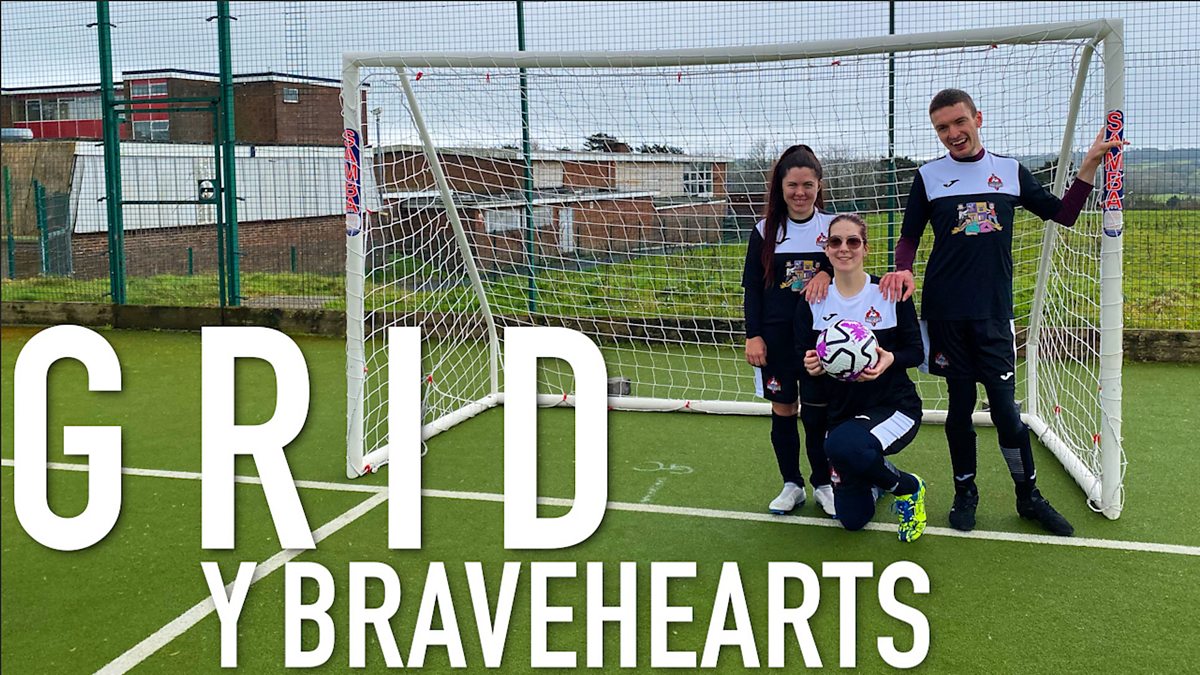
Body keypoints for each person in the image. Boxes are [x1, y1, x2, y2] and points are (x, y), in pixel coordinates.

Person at [880, 88, 1127, 536]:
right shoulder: (929, 176)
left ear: (978, 118)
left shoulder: (1009, 171)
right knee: (959, 408)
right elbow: (909, 235)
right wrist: (903, 269)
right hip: (946, 312)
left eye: (959, 122)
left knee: (1005, 412)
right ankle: (965, 492)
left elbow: (1064, 214)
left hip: (993, 313)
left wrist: (1089, 164)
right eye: (942, 127)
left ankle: (1028, 496)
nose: (953, 133)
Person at [797, 213, 928, 542]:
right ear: (826, 249)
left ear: (865, 248)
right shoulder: (814, 299)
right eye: (835, 241)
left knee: (842, 444)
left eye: (853, 241)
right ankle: (873, 473)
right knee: (852, 519)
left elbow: (916, 351)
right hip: (842, 414)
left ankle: (908, 487)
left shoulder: (889, 292)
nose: (844, 248)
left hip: (894, 407)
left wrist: (890, 359)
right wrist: (810, 364)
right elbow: (801, 353)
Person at [742, 144, 837, 516]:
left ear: (819, 185)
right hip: (776, 339)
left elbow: (851, 269)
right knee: (783, 409)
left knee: (817, 414)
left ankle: (824, 484)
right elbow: (753, 289)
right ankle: (791, 485)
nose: (800, 193)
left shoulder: (832, 228)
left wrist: (827, 272)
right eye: (792, 185)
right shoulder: (765, 230)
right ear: (780, 188)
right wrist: (753, 335)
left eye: (808, 185)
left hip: (819, 339)